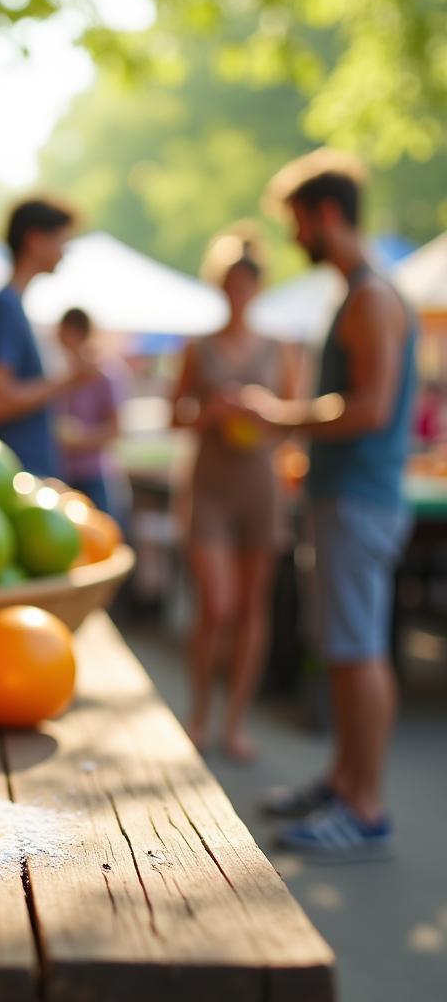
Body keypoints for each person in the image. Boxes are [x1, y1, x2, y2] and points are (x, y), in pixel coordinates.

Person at [243, 151, 418, 860]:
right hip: (343, 497)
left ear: (324, 214)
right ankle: (345, 783)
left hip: (359, 498)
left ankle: (365, 807)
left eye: (295, 222)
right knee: (344, 649)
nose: (293, 238)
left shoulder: (374, 297)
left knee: (358, 650)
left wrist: (279, 415)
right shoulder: (358, 293)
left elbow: (369, 408)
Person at [170, 226, 296, 762]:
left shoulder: (279, 350)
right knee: (215, 606)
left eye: (247, 283)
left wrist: (262, 411)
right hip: (211, 488)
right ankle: (198, 714)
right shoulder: (199, 349)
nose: (239, 291)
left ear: (257, 287)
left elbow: (293, 421)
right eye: (231, 283)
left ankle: (235, 723)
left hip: (260, 487)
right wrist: (209, 413)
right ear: (221, 286)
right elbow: (176, 414)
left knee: (250, 608)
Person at [0, 199, 95, 477]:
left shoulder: (13, 307)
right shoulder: (5, 308)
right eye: (61, 241)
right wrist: (68, 380)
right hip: (13, 473)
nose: (63, 254)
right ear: (35, 240)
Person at [55, 307, 131, 525]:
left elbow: (116, 429)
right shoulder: (64, 373)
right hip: (66, 472)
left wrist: (80, 440)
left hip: (96, 474)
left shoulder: (107, 373)